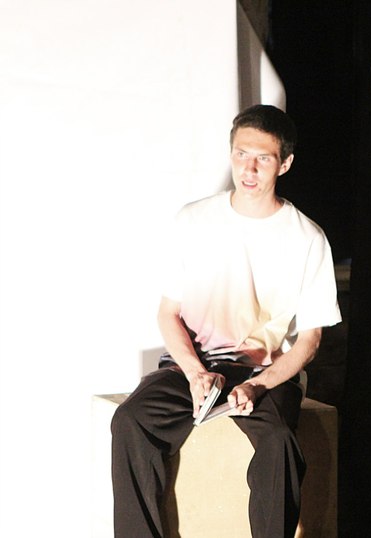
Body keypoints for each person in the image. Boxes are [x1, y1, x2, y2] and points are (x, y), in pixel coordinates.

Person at [111, 104, 342, 537]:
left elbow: (310, 340)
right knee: (131, 420)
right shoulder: (193, 220)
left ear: (285, 163)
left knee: (279, 445)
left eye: (263, 158)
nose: (248, 169)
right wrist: (195, 373)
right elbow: (168, 313)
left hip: (263, 374)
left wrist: (259, 385)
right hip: (194, 366)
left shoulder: (307, 238)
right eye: (241, 154)